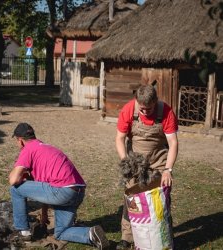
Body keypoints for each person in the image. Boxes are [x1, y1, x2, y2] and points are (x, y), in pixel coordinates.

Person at [9, 123, 110, 250]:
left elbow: (13, 180)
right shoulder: (46, 147)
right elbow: (45, 186)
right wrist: (44, 213)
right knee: (61, 232)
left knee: (16, 190)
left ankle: (23, 232)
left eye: (16, 141)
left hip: (62, 191)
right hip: (77, 191)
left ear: (20, 140)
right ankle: (91, 234)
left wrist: (18, 169)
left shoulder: (28, 149)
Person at [115, 84, 178, 249]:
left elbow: (173, 142)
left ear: (155, 102)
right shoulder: (129, 109)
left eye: (148, 109)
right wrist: (126, 162)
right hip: (135, 163)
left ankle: (163, 236)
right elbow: (120, 139)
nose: (144, 112)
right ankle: (127, 237)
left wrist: (168, 170)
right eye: (141, 109)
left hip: (158, 162)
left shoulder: (166, 112)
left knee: (160, 201)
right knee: (132, 200)